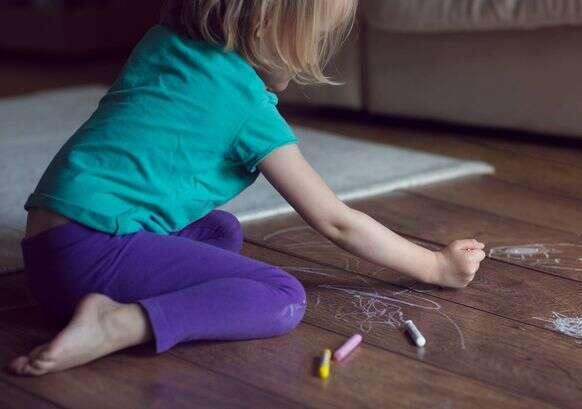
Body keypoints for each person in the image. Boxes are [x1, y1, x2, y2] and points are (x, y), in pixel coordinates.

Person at [9, 0, 485, 376]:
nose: (313, 52)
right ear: (265, 32)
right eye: (314, 38)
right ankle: (118, 322)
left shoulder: (163, 44)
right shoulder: (247, 109)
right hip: (89, 258)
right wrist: (436, 266)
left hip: (48, 254)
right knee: (281, 297)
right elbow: (336, 221)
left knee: (219, 230)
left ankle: (107, 306)